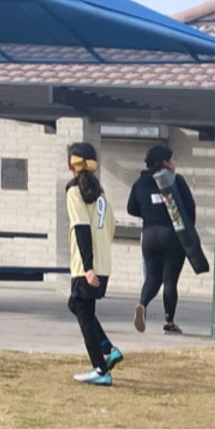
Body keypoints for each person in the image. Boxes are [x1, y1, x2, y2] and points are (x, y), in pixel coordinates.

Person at [64, 143, 122, 387]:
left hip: (85, 266)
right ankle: (107, 349)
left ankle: (101, 367)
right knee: (77, 305)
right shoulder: (102, 197)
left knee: (82, 310)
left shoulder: (74, 193)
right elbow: (111, 228)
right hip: (104, 263)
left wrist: (87, 266)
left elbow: (81, 228)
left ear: (73, 165)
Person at [127, 144, 195, 335]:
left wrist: (149, 212)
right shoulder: (174, 180)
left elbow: (131, 208)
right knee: (170, 280)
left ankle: (142, 305)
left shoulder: (139, 183)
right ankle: (169, 322)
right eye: (172, 160)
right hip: (172, 234)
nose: (174, 164)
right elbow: (190, 207)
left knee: (152, 278)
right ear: (165, 162)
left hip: (149, 235)